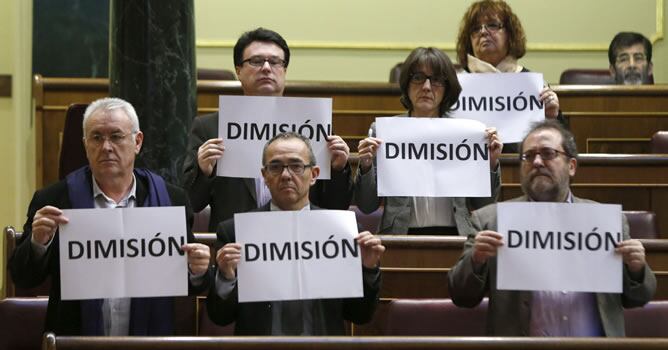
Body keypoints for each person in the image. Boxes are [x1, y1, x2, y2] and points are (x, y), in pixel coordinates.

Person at [8, 97, 211, 335]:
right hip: (74, 338)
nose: (106, 147)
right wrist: (38, 243)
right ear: (85, 145)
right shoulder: (53, 200)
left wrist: (197, 271)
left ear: (137, 141)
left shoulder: (172, 201)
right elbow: (22, 277)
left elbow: (186, 284)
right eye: (96, 137)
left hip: (150, 339)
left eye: (116, 136)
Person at [448, 120, 656, 336]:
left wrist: (636, 269)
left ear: (572, 166)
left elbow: (639, 298)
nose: (537, 162)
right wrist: (477, 261)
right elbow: (462, 296)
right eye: (528, 156)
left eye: (548, 153)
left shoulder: (605, 222)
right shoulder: (490, 221)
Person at [206, 132, 384, 335]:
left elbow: (360, 315)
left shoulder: (343, 232)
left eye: (296, 166)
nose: (286, 175)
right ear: (264, 176)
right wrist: (226, 278)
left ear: (314, 174)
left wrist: (368, 269)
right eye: (275, 167)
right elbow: (220, 317)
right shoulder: (234, 233)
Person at [183, 28, 352, 232]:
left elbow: (336, 206)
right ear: (238, 70)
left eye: (274, 62)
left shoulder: (312, 123)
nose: (266, 68)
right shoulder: (209, 128)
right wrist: (203, 172)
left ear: (285, 70)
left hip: (301, 240)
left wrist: (338, 169)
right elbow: (191, 204)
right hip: (237, 243)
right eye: (256, 61)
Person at [354, 47, 503, 235]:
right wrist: (366, 166)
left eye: (437, 80)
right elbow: (367, 206)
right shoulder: (383, 132)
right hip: (400, 236)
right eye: (418, 78)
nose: (426, 87)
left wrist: (490, 163)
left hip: (457, 237)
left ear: (447, 89)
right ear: (407, 84)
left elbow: (484, 204)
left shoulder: (466, 133)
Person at [455, 0, 564, 148]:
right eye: (475, 29)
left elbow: (562, 147)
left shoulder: (533, 85)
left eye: (492, 25)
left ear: (510, 34)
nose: (483, 31)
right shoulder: (456, 86)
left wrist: (552, 116)